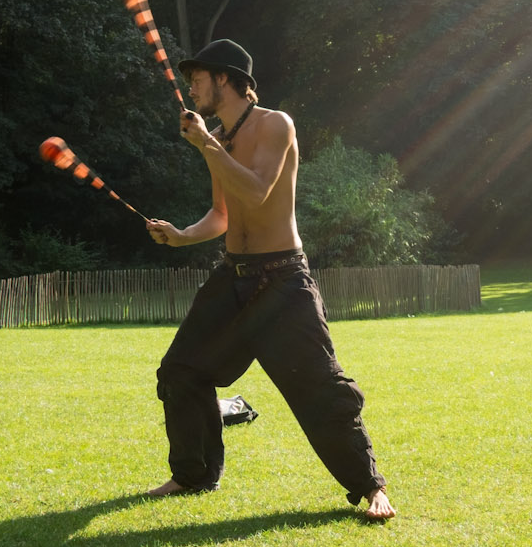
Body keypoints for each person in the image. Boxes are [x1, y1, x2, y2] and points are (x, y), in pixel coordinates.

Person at [142, 38, 394, 520]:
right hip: (232, 277)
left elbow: (256, 193)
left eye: (197, 79)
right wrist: (180, 236)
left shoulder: (276, 124)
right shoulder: (220, 136)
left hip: (281, 281)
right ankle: (193, 475)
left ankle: (369, 486)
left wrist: (207, 144)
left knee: (319, 386)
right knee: (181, 370)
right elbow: (222, 213)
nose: (190, 88)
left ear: (224, 78)